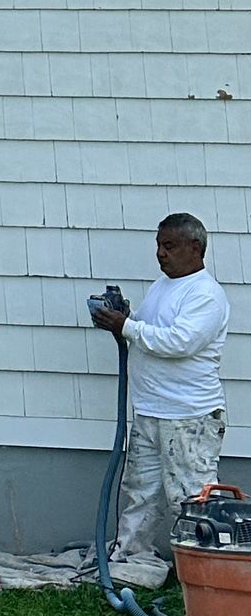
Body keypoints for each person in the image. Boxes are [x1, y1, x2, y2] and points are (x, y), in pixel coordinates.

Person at [92, 211, 231, 589]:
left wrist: (128, 327)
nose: (161, 254)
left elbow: (179, 342)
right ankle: (131, 561)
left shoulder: (205, 295)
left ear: (195, 248)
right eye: (158, 245)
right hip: (152, 411)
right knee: (140, 490)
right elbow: (149, 331)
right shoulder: (163, 286)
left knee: (190, 495)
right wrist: (123, 318)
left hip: (188, 416)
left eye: (169, 246)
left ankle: (207, 573)